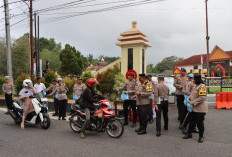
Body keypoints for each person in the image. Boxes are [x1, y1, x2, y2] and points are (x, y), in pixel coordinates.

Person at [183, 74, 208, 143]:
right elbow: (192, 94)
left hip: (200, 108)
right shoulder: (196, 86)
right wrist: (188, 98)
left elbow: (202, 98)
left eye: (194, 79)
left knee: (200, 123)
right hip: (194, 108)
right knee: (191, 121)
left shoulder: (202, 86)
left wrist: (193, 102)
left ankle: (201, 137)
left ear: (197, 79)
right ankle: (189, 134)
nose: (192, 80)